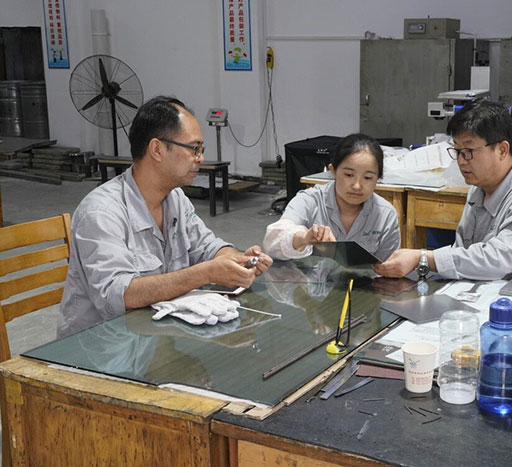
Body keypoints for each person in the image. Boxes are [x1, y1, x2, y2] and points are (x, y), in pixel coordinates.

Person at [57, 96, 272, 337]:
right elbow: (118, 296)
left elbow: (207, 247)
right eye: (194, 148)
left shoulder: (175, 198)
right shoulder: (102, 212)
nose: (200, 158)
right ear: (157, 149)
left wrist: (237, 260)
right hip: (103, 346)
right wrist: (206, 273)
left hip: (156, 336)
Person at [374, 100, 512, 281]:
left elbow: (498, 260)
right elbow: (464, 250)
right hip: (491, 292)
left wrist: (424, 258)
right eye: (457, 151)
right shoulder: (478, 188)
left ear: (502, 150)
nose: (461, 161)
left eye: (469, 151)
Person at [263, 133, 400, 262]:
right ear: (333, 171)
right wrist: (304, 238)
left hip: (364, 280)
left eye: (368, 177)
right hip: (308, 280)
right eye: (349, 175)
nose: (357, 186)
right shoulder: (310, 200)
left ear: (378, 178)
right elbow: (272, 242)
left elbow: (387, 265)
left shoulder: (385, 214)